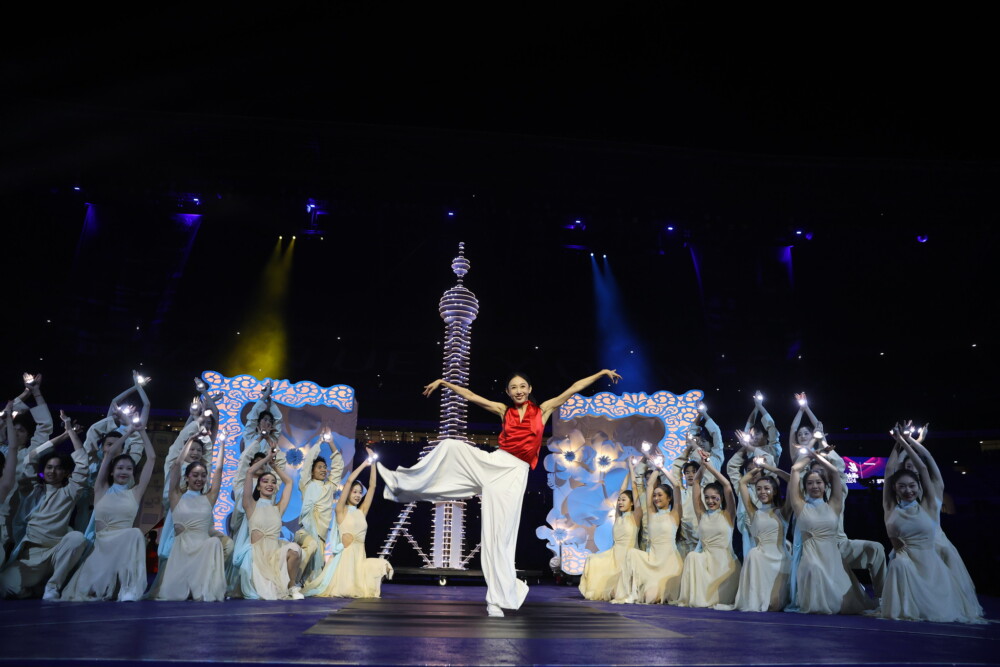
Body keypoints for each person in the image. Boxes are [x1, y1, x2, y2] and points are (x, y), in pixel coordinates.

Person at [379, 369, 621, 617]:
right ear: (508, 392)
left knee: (500, 536)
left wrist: (601, 373)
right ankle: (400, 481)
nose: (519, 390)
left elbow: (573, 387)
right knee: (451, 446)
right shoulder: (504, 411)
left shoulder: (543, 410)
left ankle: (496, 599)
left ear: (529, 389)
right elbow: (472, 396)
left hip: (516, 474)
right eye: (514, 387)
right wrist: (443, 381)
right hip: (495, 463)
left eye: (523, 386)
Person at [880, 426, 983, 623]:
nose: (907, 490)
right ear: (895, 488)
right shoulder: (891, 506)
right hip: (905, 560)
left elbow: (925, 468)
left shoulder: (928, 503)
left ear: (918, 485)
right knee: (900, 564)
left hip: (931, 556)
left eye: (912, 486)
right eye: (902, 486)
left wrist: (908, 442)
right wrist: (898, 442)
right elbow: (889, 472)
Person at [61, 418, 156, 601]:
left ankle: (129, 588)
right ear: (111, 471)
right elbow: (110, 453)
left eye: (129, 469)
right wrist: (128, 432)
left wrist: (141, 431)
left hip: (124, 549)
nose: (124, 471)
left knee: (136, 533)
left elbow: (151, 459)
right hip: (101, 547)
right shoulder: (101, 489)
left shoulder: (135, 492)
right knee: (88, 592)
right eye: (120, 467)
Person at [1, 409, 88, 599]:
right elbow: (32, 456)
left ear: (65, 473)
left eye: (58, 469)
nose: (52, 472)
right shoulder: (32, 490)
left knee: (77, 538)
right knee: (3, 586)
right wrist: (62, 436)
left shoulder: (69, 492)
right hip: (30, 556)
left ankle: (53, 586)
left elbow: (82, 463)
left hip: (56, 553)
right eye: (49, 467)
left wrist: (70, 431)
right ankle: (35, 589)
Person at [788, 442, 874, 615]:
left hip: (831, 558)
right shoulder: (800, 505)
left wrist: (819, 456)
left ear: (825, 485)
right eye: (810, 483)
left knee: (842, 605)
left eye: (818, 482)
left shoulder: (834, 504)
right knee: (814, 568)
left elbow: (834, 472)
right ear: (805, 487)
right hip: (811, 558)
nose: (814, 486)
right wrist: (814, 453)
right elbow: (795, 470)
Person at [305, 447, 392, 598]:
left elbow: (373, 486)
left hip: (359, 557)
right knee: (345, 591)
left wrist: (373, 464)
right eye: (354, 492)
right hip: (345, 560)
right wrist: (364, 463)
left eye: (359, 492)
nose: (358, 495)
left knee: (382, 566)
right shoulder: (341, 510)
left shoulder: (362, 511)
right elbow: (350, 480)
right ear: (348, 493)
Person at [156, 435, 227, 602]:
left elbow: (218, 470)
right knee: (175, 594)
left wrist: (222, 444)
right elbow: (176, 465)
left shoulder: (209, 498)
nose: (200, 479)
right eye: (195, 475)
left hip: (203, 547)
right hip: (182, 549)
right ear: (186, 477)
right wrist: (189, 442)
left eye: (203, 475)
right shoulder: (176, 497)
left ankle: (204, 585)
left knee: (215, 542)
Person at [673, 451, 741, 608]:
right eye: (707, 498)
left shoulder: (728, 514)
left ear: (721, 499)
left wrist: (709, 466)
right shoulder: (701, 514)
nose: (710, 501)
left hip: (725, 564)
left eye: (714, 498)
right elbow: (696, 483)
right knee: (692, 557)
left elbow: (727, 486)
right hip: (705, 561)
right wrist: (702, 465)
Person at [614, 461, 683, 604]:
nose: (656, 498)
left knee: (656, 597)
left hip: (669, 562)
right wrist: (656, 468)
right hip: (652, 560)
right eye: (655, 496)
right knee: (633, 554)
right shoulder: (651, 513)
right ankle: (630, 592)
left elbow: (676, 486)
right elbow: (650, 485)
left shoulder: (674, 514)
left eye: (660, 495)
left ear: (669, 498)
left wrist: (662, 467)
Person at [726, 467, 791, 612]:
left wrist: (768, 468)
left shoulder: (783, 511)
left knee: (774, 605)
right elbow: (743, 482)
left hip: (779, 561)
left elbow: (793, 480)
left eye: (767, 488)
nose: (762, 492)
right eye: (759, 489)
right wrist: (757, 468)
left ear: (774, 491)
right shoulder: (753, 511)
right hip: (759, 560)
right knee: (754, 553)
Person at [243, 451, 305, 600]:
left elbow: (289, 482)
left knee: (295, 550)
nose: (270, 484)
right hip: (258, 558)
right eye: (265, 481)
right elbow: (250, 472)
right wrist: (266, 459)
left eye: (273, 482)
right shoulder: (250, 505)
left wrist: (274, 466)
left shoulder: (278, 508)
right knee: (269, 593)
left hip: (275, 555)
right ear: (258, 487)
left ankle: (292, 586)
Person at [579, 458, 641, 601]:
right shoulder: (619, 516)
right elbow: (621, 490)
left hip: (628, 556)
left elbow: (635, 488)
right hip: (614, 555)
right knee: (592, 559)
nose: (620, 502)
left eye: (624, 500)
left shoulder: (635, 516)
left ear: (632, 503)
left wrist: (633, 469)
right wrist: (627, 471)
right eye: (619, 500)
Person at [294, 435, 344, 583]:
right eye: (320, 467)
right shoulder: (306, 484)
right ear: (312, 471)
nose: (323, 470)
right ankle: (293, 582)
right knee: (311, 546)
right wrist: (319, 442)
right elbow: (308, 461)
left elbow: (338, 465)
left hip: (321, 536)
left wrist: (332, 443)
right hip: (305, 532)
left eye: (325, 467)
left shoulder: (329, 487)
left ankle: (303, 585)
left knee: (314, 575)